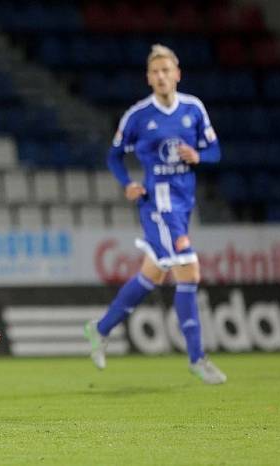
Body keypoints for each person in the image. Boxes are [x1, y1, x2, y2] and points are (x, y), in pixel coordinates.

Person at [84, 44, 226, 385]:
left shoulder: (194, 109)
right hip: (157, 204)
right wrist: (127, 184)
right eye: (155, 72)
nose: (162, 76)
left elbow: (215, 151)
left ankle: (99, 329)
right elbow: (114, 156)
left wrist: (199, 156)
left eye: (167, 70)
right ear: (149, 78)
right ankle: (198, 359)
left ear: (177, 73)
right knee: (188, 272)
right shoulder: (138, 116)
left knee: (155, 274)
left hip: (183, 202)